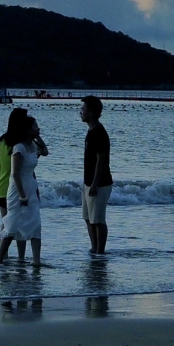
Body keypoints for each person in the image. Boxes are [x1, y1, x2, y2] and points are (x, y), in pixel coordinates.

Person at [0, 114, 45, 266]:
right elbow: (15, 174)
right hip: (18, 190)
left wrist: (38, 137)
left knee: (36, 224)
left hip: (31, 186)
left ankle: (36, 261)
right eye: (35, 126)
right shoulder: (18, 147)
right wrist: (23, 196)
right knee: (12, 225)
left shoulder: (33, 146)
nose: (38, 128)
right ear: (27, 130)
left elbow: (45, 151)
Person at [80, 95, 112, 255]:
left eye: (83, 109)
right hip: (88, 182)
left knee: (98, 220)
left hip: (100, 183)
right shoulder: (91, 131)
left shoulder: (99, 132)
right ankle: (94, 249)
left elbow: (102, 161)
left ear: (91, 112)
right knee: (88, 218)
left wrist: (94, 184)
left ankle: (100, 251)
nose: (81, 112)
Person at [0, 107, 31, 216]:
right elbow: (28, 165)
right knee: (14, 227)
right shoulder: (20, 144)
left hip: (0, 186)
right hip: (13, 189)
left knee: (7, 225)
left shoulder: (2, 139)